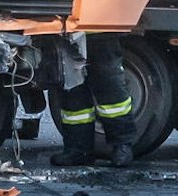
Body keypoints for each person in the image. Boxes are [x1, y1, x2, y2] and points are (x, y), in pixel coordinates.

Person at [50, 33, 136, 167]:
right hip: (67, 29)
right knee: (72, 89)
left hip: (99, 28)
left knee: (109, 85)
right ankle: (78, 151)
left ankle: (122, 145)